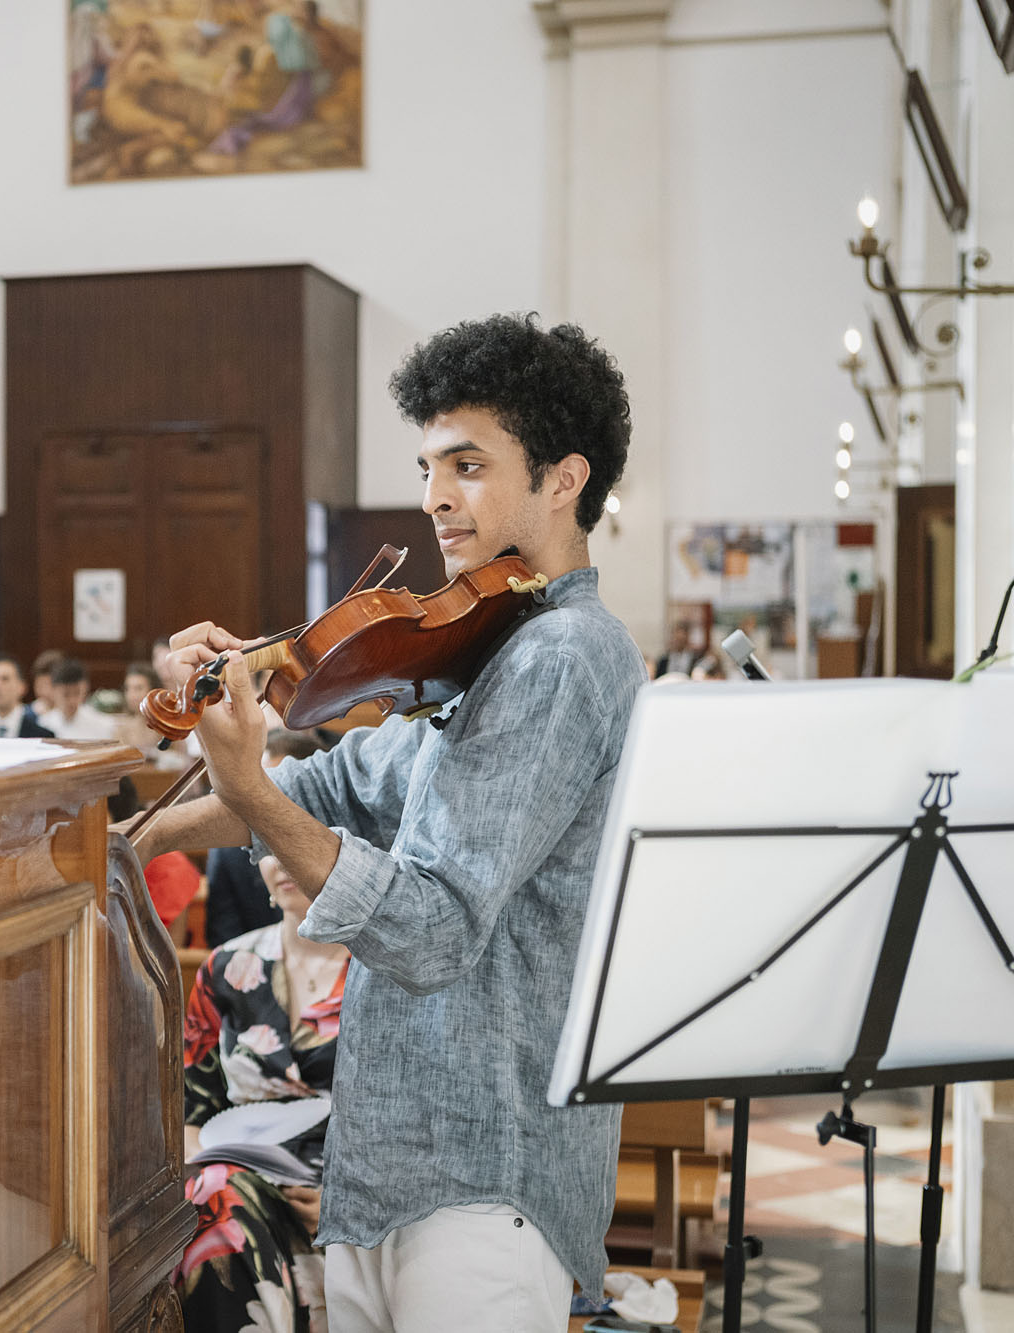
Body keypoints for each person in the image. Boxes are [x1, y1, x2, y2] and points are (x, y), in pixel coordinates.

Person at [130, 314, 644, 1330]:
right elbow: (325, 793)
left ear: (560, 479)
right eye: (426, 465)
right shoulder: (489, 650)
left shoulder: (562, 657)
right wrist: (136, 840)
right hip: (398, 1161)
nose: (434, 498)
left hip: (482, 1171)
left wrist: (251, 781)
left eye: (466, 463)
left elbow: (433, 926)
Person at [176, 853, 350, 1331]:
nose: (285, 857)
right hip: (245, 1182)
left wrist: (346, 1200)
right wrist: (210, 1170)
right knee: (214, 1199)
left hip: (357, 1190)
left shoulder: (387, 971)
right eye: (269, 842)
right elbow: (194, 1113)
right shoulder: (226, 967)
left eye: (301, 838)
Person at [205, 729, 324, 947]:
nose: (269, 802)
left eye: (282, 789)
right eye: (260, 789)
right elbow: (223, 935)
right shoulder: (228, 851)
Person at [38, 658, 115, 740]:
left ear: (85, 689)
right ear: (54, 691)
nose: (72, 701)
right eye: (66, 694)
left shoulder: (102, 724)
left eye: (77, 693)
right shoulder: (44, 724)